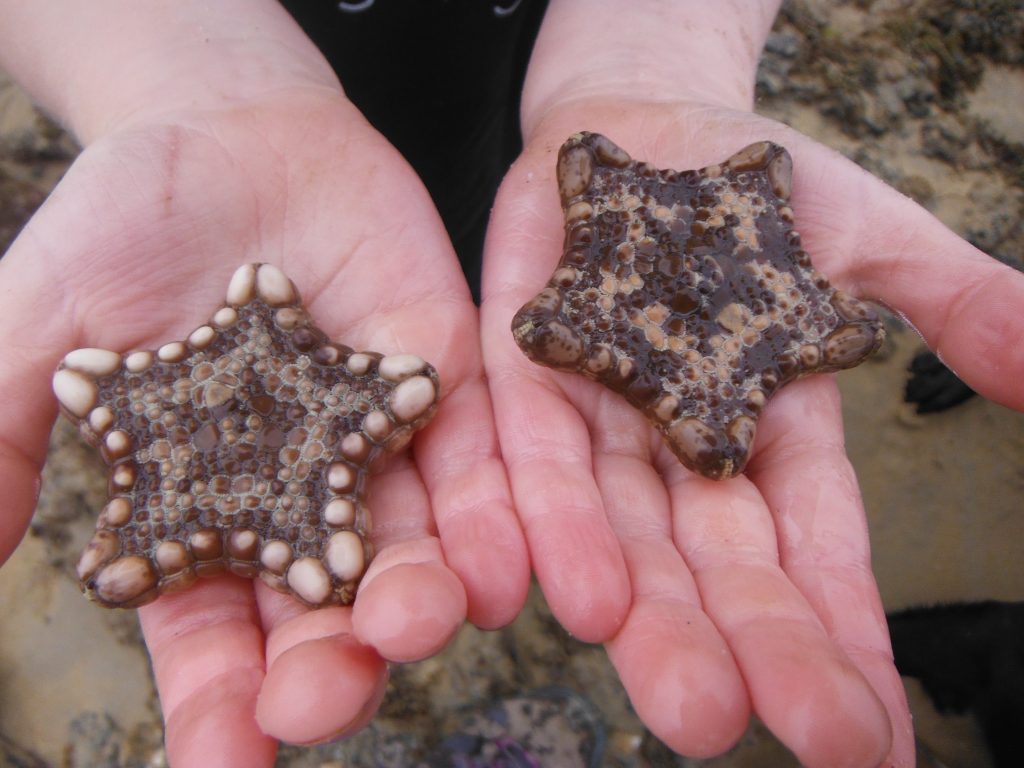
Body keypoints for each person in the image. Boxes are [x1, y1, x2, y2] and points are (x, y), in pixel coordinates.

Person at [0, 1, 1021, 766]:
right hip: (304, 169)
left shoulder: (631, 235)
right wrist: (185, 84)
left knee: (484, 234)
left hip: (513, 112)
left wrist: (647, 56)